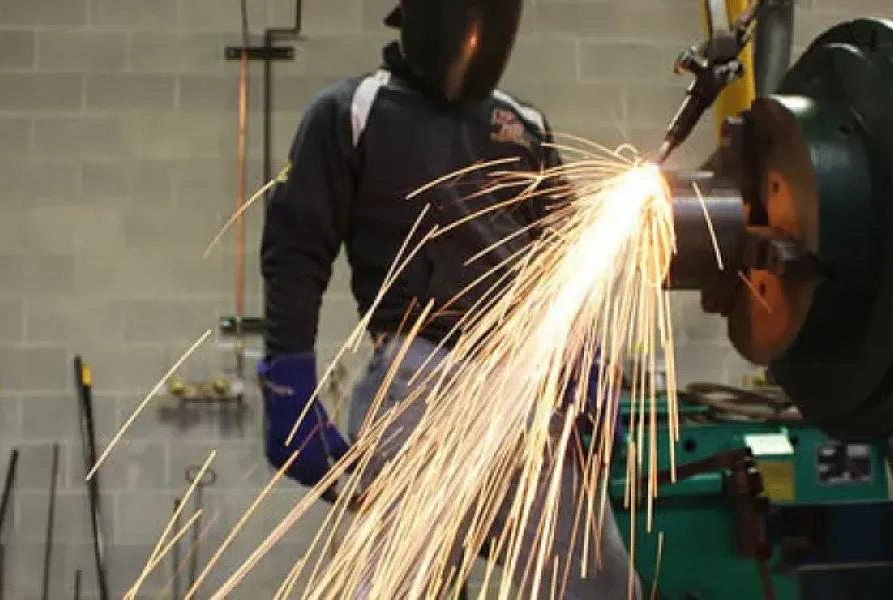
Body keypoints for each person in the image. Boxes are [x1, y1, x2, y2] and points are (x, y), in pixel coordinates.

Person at [258, 1, 641, 598]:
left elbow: (567, 264)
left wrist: (588, 364)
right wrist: (288, 381)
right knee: (405, 584)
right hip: (418, 382)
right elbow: (295, 253)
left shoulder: (525, 125)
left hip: (525, 392)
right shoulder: (354, 111)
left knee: (597, 581)